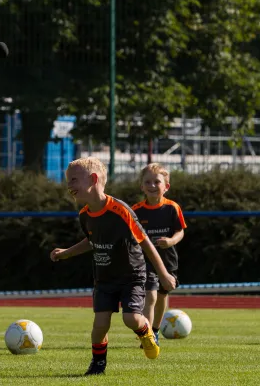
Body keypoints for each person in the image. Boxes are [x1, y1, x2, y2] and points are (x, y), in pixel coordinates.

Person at [49, 157, 176, 376]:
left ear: (94, 179)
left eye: (73, 180)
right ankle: (98, 364)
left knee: (132, 319)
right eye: (68, 181)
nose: (69, 186)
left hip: (132, 276)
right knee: (100, 324)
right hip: (104, 278)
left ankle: (146, 334)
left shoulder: (121, 211)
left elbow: (145, 241)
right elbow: (91, 240)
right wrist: (67, 253)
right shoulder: (84, 214)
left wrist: (163, 274)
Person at [132, 163, 186, 346]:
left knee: (162, 296)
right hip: (144, 261)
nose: (152, 185)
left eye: (157, 182)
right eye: (147, 182)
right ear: (141, 186)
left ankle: (154, 331)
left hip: (167, 260)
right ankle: (147, 335)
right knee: (150, 295)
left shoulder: (172, 208)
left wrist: (170, 241)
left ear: (166, 186)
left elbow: (180, 231)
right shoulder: (136, 211)